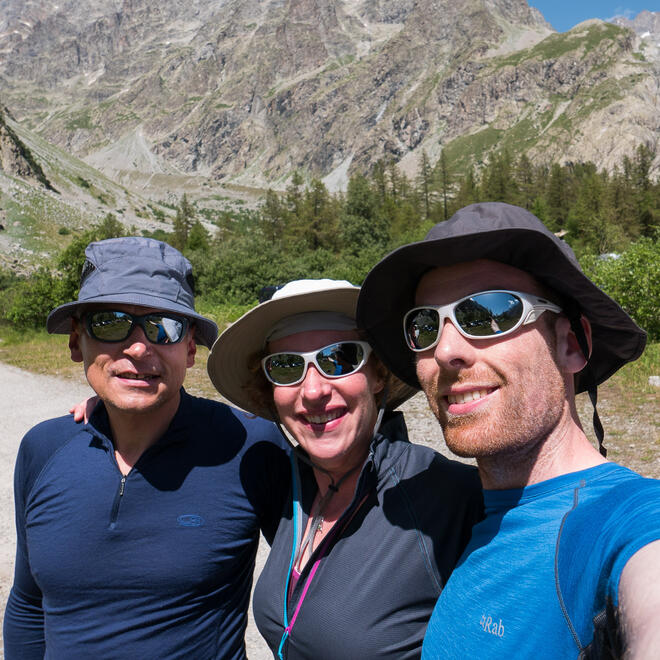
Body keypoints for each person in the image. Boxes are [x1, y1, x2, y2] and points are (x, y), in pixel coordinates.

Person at [356, 201, 660, 658]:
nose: (445, 351)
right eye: (424, 326)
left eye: (490, 312)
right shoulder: (471, 517)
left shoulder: (622, 523)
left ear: (571, 345)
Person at [3, 237, 290, 659]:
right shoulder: (43, 450)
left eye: (164, 325)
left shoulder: (250, 445)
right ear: (75, 340)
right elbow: (29, 604)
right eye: (109, 322)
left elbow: (320, 589)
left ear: (190, 347)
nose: (138, 348)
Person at [206, 278, 484, 659]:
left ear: (378, 374)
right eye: (286, 367)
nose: (314, 390)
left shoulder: (447, 497)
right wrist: (103, 412)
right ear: (269, 389)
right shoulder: (291, 485)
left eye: (340, 358)